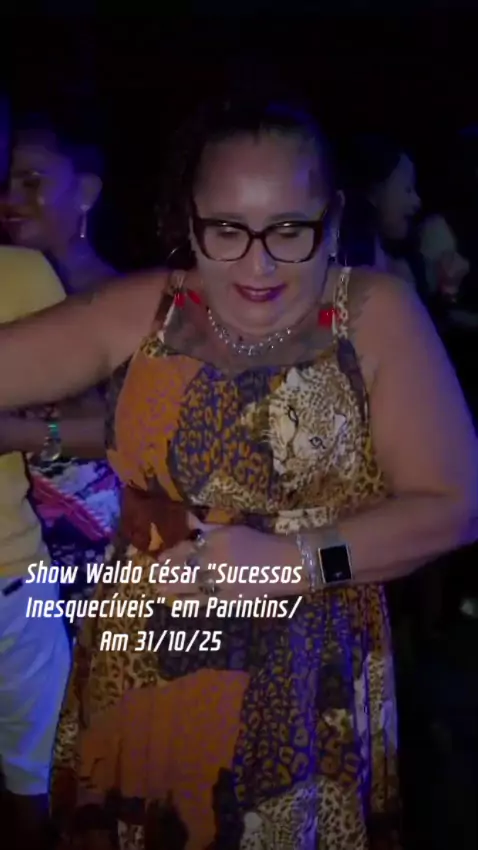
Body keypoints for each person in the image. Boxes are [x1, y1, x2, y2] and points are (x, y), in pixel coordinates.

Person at [0, 96, 477, 850]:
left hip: (308, 672)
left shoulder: (374, 312)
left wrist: (294, 561)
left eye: (289, 229)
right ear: (191, 224)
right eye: (227, 230)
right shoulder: (147, 309)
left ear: (331, 218)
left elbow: (452, 506)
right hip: (141, 666)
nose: (259, 263)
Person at [1, 114, 120, 625]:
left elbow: (145, 433)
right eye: (5, 183)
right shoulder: (11, 291)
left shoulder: (128, 304)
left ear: (86, 191)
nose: (11, 199)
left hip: (104, 557)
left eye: (32, 182)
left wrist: (28, 435)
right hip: (20, 565)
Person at [0, 245, 71, 850]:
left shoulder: (22, 273)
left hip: (16, 577)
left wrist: (25, 430)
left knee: (38, 785)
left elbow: (97, 417)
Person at [339, 135, 423, 291]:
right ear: (375, 189)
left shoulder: (391, 258)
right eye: (408, 189)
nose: (417, 202)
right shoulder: (354, 261)